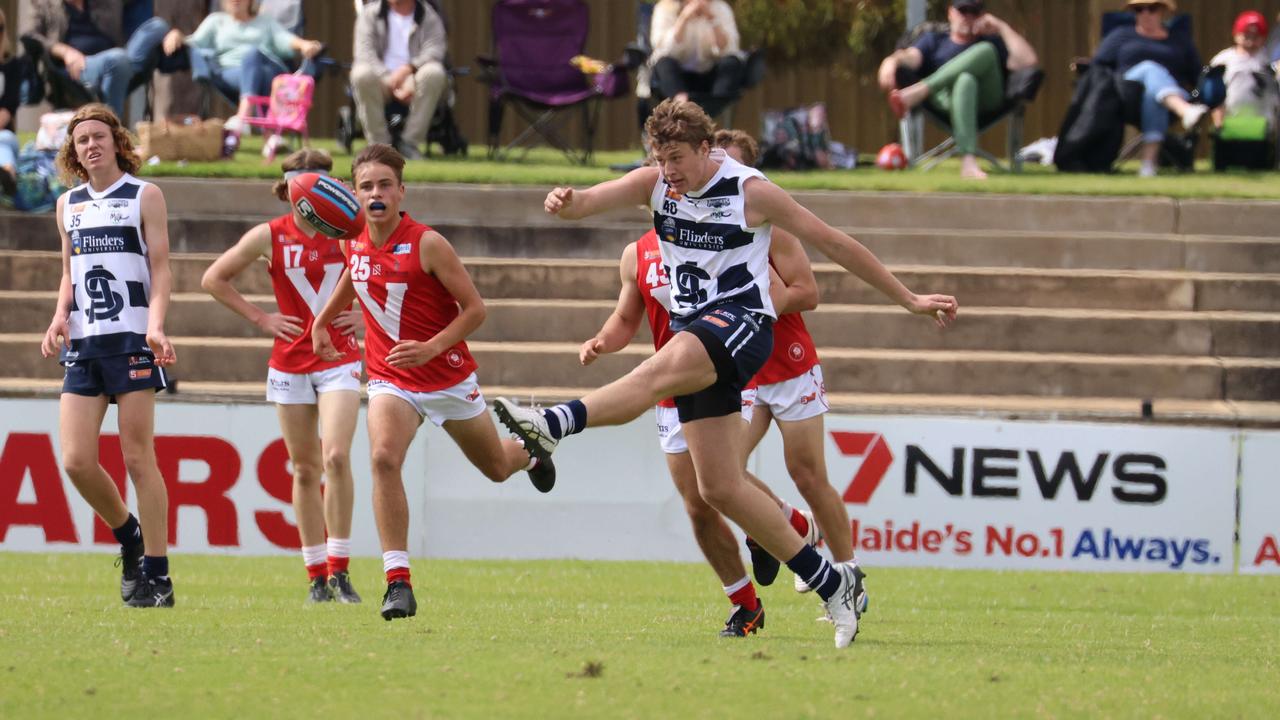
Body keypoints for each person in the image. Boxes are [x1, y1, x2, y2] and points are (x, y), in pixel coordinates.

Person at [496, 99, 957, 648]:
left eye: (677, 158)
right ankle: (831, 584)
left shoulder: (749, 192)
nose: (669, 170)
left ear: (706, 150)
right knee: (718, 487)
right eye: (660, 158)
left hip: (742, 325)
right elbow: (588, 203)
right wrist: (563, 202)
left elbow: (833, 242)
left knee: (654, 374)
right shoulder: (655, 184)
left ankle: (552, 423)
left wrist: (908, 299)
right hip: (698, 331)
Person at [310, 143, 555, 622]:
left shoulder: (427, 243)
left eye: (384, 185)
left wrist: (432, 347)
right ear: (354, 194)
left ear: (401, 191)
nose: (375, 193)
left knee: (497, 468)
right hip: (390, 377)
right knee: (383, 457)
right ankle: (397, 583)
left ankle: (532, 450)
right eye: (366, 186)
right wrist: (323, 319)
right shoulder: (351, 237)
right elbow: (354, 277)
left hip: (446, 377)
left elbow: (477, 310)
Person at [201, 149, 366, 604]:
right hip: (290, 361)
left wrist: (367, 322)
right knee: (305, 467)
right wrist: (261, 318)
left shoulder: (353, 234)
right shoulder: (269, 236)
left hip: (338, 355)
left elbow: (391, 279)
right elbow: (213, 278)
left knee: (335, 455)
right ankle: (315, 574)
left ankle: (340, 567)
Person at [707, 130, 861, 598]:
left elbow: (808, 293)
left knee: (809, 475)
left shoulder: (771, 226)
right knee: (720, 473)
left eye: (732, 168)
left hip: (789, 364)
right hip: (743, 366)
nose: (722, 179)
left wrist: (765, 298)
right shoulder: (704, 224)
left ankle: (851, 575)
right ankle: (792, 524)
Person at [39, 103, 177, 608]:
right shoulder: (68, 204)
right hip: (85, 341)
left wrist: (156, 326)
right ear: (72, 153)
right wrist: (59, 316)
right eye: (81, 141)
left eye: (99, 136)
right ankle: (128, 536)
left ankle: (158, 575)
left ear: (117, 142)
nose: (90, 145)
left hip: (131, 340)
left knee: (139, 458)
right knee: (76, 460)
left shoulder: (145, 195)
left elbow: (160, 270)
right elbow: (69, 273)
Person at [878, 0, 1039, 179]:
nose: (968, 17)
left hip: (987, 100)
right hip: (946, 100)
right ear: (950, 13)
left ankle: (921, 89)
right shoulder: (933, 40)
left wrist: (1001, 27)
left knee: (986, 50)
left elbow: (1029, 61)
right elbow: (911, 57)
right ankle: (968, 163)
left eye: (974, 12)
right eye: (963, 11)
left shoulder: (992, 40)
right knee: (965, 80)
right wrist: (892, 60)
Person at [163, 0, 323, 143]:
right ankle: (271, 137)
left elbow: (284, 38)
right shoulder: (215, 21)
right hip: (229, 73)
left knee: (252, 54)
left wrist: (304, 45)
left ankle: (243, 116)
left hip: (268, 70)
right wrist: (176, 34)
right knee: (252, 65)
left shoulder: (265, 21)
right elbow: (194, 43)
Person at [1090, 0, 1206, 178]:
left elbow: (1197, 75)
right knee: (1149, 68)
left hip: (1171, 96)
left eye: (1151, 9)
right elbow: (1097, 69)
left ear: (1162, 12)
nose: (1145, 14)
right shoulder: (1120, 35)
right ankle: (1185, 111)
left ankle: (1148, 165)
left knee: (1153, 96)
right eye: (1139, 9)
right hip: (1126, 95)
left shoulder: (1180, 40)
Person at [22, 0, 177, 119]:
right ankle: (111, 128)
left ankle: (124, 71)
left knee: (158, 25)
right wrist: (65, 52)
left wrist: (170, 34)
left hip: (121, 57)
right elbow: (30, 36)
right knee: (117, 60)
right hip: (81, 67)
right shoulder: (45, 4)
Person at [351, 0, 448, 161]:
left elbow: (435, 49)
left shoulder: (428, 15)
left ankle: (410, 143)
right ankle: (379, 147)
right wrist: (389, 78)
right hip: (379, 78)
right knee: (360, 73)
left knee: (434, 72)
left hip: (413, 78)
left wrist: (408, 69)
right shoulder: (369, 14)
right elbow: (364, 52)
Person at [648, 0, 744, 118]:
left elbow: (729, 49)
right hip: (678, 77)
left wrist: (712, 19)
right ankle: (682, 106)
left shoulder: (721, 8)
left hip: (709, 76)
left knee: (731, 62)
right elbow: (664, 50)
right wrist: (683, 19)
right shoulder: (665, 9)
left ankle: (713, 109)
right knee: (663, 62)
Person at [1209, 11, 1277, 130]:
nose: (1250, 41)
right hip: (1229, 124)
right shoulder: (1223, 60)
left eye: (1256, 36)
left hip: (1263, 127)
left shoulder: (1269, 60)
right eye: (1246, 35)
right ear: (1236, 34)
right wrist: (1218, 123)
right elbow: (1214, 94)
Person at [1, 8, 21, 196]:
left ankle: (7, 175)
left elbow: (9, 106)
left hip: (3, 133)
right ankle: (8, 173)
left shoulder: (11, 66)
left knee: (5, 139)